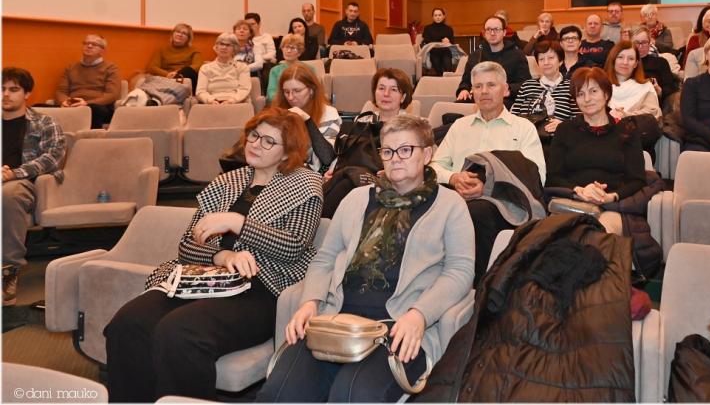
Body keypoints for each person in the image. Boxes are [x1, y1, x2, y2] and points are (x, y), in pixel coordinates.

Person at [104, 107, 323, 402]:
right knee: (127, 323)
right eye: (254, 135)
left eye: (269, 141)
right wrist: (223, 256)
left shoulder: (304, 184)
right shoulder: (228, 181)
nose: (256, 144)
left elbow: (294, 247)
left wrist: (237, 223)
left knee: (179, 332)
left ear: (287, 152)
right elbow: (187, 245)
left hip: (261, 288)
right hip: (205, 277)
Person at [257, 114, 474, 403]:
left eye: (405, 150)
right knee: (279, 393)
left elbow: (460, 271)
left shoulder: (450, 206)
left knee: (351, 395)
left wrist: (419, 315)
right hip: (335, 320)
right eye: (388, 151)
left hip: (397, 326)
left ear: (427, 154)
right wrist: (310, 302)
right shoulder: (356, 199)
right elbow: (325, 259)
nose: (395, 158)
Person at [433, 61, 545, 281]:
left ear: (505, 90)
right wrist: (453, 177)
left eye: (491, 85)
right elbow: (433, 166)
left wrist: (488, 187)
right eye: (478, 86)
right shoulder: (459, 127)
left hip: (504, 204)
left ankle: (477, 286)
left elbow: (536, 176)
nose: (484, 91)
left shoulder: (523, 128)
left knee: (476, 212)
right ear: (472, 91)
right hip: (456, 195)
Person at [546, 67, 648, 236]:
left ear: (606, 94)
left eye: (593, 91)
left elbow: (637, 180)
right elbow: (553, 177)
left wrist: (611, 196)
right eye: (580, 94)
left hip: (613, 207)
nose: (587, 99)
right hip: (572, 203)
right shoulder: (565, 130)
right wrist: (579, 190)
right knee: (561, 237)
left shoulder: (627, 130)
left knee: (598, 235)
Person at [2, 68, 65, 306]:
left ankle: (7, 272)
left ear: (27, 93)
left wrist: (13, 173)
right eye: (2, 89)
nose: (5, 94)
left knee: (7, 195)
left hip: (24, 182)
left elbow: (53, 157)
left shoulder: (44, 122)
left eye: (13, 89)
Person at [272, 63, 341, 169]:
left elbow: (327, 157)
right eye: (286, 92)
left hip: (309, 174)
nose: (290, 97)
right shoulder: (278, 112)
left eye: (297, 91)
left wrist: (308, 121)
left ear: (311, 90)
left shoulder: (329, 113)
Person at [455, 16, 531, 105]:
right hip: (479, 98)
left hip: (505, 100)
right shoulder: (475, 56)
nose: (492, 33)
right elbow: (465, 81)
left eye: (496, 29)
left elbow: (526, 84)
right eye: (488, 29)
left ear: (504, 32)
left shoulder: (517, 55)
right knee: (455, 109)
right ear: (484, 33)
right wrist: (463, 90)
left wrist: (509, 89)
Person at [54, 34, 120, 128]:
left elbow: (112, 95)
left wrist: (86, 103)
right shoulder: (71, 68)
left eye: (94, 44)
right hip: (72, 105)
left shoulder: (111, 68)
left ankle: (91, 137)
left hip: (97, 106)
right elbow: (61, 91)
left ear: (102, 51)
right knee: (39, 107)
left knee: (94, 110)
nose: (89, 46)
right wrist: (65, 101)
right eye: (86, 43)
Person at [511, 40, 578, 131]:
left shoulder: (571, 86)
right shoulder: (527, 85)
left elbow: (580, 119)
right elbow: (513, 115)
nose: (546, 62)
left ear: (560, 61)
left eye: (550, 58)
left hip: (558, 136)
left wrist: (564, 125)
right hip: (525, 134)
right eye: (541, 59)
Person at [605, 40, 660, 122]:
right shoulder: (600, 85)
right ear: (613, 60)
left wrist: (625, 115)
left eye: (630, 58)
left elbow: (653, 113)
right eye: (620, 57)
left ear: (636, 64)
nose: (625, 62)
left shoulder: (646, 87)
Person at [631, 26, 678, 113]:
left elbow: (670, 88)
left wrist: (659, 91)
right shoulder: (625, 62)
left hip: (653, 104)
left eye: (644, 42)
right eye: (636, 43)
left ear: (650, 43)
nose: (640, 46)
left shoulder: (660, 62)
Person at [195, 33, 252, 105]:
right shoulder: (205, 68)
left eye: (228, 45)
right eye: (221, 44)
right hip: (212, 104)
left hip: (236, 103)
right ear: (216, 47)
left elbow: (244, 89)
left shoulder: (242, 67)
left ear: (234, 49)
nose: (224, 47)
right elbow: (200, 91)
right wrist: (210, 100)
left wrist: (232, 100)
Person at [145, 23, 203, 91]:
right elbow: (152, 67)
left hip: (184, 77)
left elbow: (197, 66)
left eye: (184, 33)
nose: (180, 35)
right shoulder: (162, 49)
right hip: (167, 78)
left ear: (188, 38)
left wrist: (177, 73)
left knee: (188, 70)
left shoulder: (194, 50)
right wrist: (167, 74)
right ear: (173, 34)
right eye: (178, 32)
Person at [266, 34, 318, 104]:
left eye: (293, 48)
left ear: (299, 52)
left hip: (305, 103)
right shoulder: (275, 71)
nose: (288, 51)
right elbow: (271, 93)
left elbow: (315, 89)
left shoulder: (309, 69)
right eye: (286, 47)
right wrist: (288, 100)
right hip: (282, 104)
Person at [421, 7, 456, 75]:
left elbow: (452, 42)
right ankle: (440, 76)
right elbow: (427, 40)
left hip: (445, 50)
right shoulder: (428, 28)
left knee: (448, 67)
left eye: (439, 15)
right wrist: (439, 41)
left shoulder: (448, 28)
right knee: (437, 63)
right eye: (435, 15)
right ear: (433, 17)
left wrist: (448, 41)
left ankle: (448, 76)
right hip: (434, 50)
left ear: (443, 16)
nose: (438, 17)